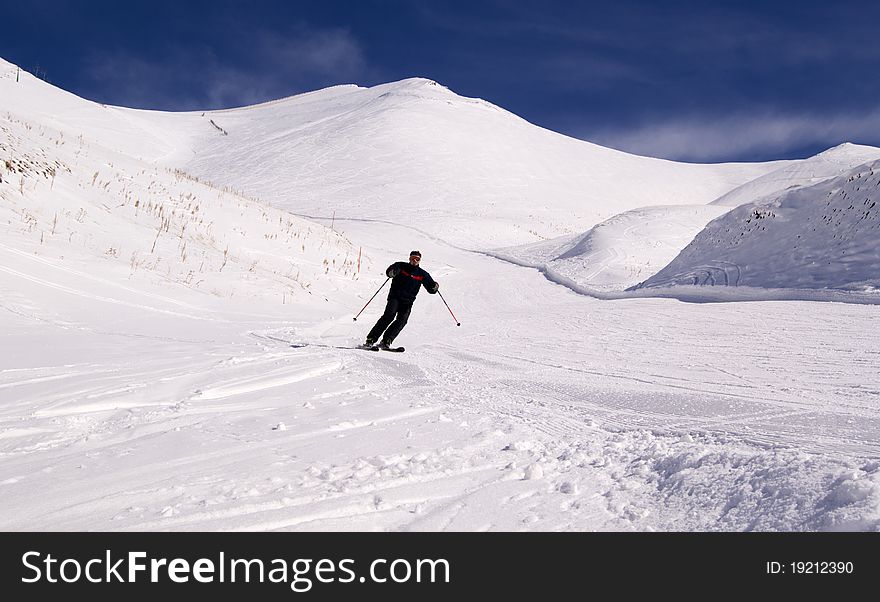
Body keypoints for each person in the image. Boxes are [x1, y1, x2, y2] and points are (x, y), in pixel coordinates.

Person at [365, 250, 439, 349]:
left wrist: (434, 287)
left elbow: (431, 288)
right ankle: (371, 339)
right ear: (409, 258)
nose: (415, 260)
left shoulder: (422, 274)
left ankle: (387, 340)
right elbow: (390, 271)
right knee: (389, 316)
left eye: (417, 259)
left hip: (408, 302)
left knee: (402, 320)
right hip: (395, 297)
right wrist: (391, 272)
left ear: (420, 260)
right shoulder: (401, 266)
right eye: (413, 258)